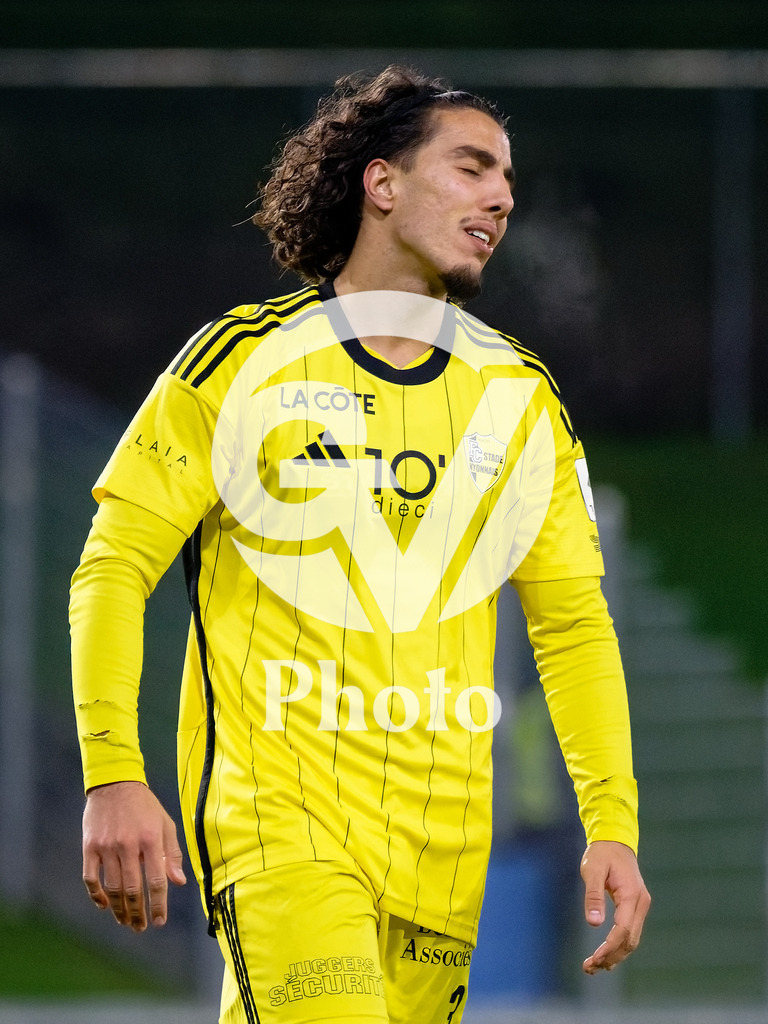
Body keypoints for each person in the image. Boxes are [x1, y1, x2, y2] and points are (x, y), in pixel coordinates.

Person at [70, 65, 650, 1024]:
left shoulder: (519, 397)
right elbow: (113, 565)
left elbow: (575, 627)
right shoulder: (239, 362)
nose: (501, 197)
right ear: (382, 184)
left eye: (507, 180)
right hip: (279, 831)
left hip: (442, 854)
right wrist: (112, 772)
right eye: (471, 167)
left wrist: (613, 826)